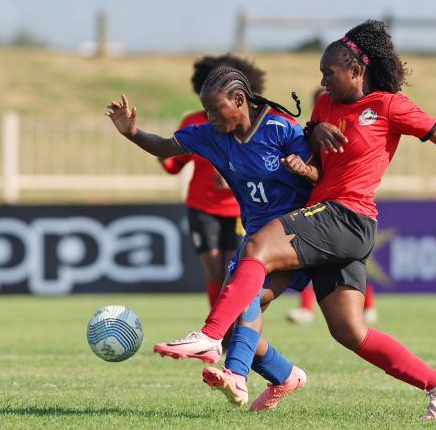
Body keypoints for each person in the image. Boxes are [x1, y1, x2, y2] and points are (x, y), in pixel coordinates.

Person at [161, 20, 436, 420]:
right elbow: (314, 151)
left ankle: (213, 342)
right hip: (324, 221)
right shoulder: (323, 105)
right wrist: (311, 149)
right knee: (347, 331)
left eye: (329, 72)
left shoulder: (388, 105)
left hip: (347, 215)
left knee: (258, 246)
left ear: (356, 70)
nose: (322, 79)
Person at [105, 66, 315, 410]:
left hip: (296, 235)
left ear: (239, 100)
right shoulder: (211, 135)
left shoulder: (281, 129)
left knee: (245, 302)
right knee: (241, 313)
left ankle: (235, 372)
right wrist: (132, 133)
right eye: (207, 110)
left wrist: (304, 169)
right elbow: (165, 146)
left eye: (216, 109)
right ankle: (285, 374)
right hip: (257, 236)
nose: (210, 117)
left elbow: (321, 174)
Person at [160, 55, 265, 308]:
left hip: (239, 208)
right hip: (202, 206)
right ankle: (217, 335)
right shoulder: (194, 122)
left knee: (234, 273)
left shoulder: (250, 123)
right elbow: (175, 165)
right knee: (215, 274)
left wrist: (235, 177)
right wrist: (161, 155)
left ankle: (233, 332)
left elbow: (264, 164)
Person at [286, 86, 378, 326]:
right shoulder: (313, 134)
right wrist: (304, 168)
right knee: (316, 258)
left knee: (350, 257)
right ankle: (307, 308)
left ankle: (368, 305)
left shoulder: (354, 128)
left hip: (349, 206)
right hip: (322, 202)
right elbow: (317, 169)